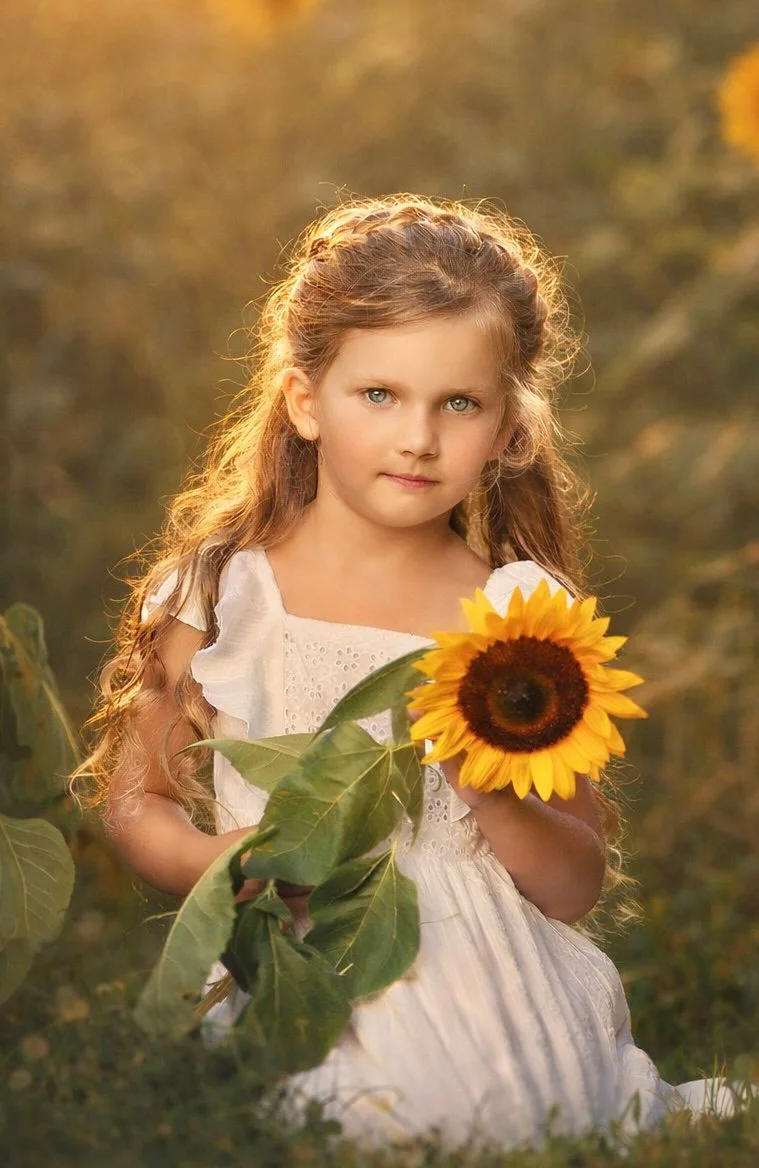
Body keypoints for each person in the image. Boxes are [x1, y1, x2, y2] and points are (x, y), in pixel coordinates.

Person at [69, 194, 755, 1153]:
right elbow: (134, 801)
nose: (419, 438)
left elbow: (571, 885)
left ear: (508, 423)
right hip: (303, 953)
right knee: (343, 1103)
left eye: (459, 403)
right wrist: (230, 864)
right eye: (379, 395)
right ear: (306, 402)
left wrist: (495, 798)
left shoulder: (517, 620)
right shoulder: (222, 591)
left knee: (498, 1112)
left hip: (492, 970)